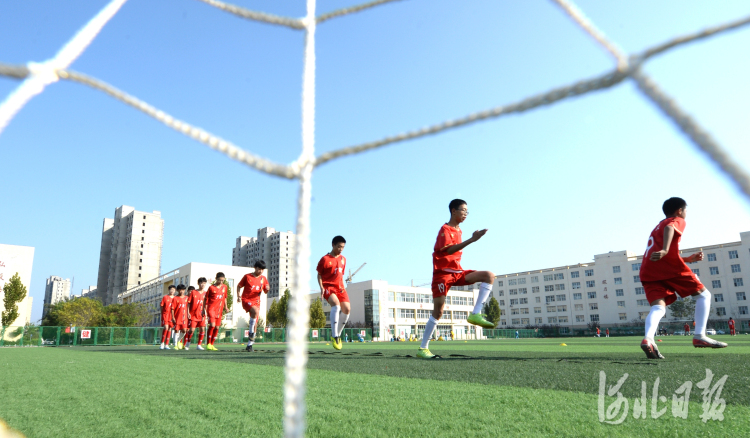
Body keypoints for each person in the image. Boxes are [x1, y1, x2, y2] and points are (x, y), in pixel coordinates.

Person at [639, 197, 727, 360]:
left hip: (648, 269)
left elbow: (666, 244)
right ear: (679, 210)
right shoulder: (675, 220)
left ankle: (649, 339)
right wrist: (665, 250)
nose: (685, 214)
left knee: (658, 307)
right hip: (667, 267)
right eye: (685, 210)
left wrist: (687, 259)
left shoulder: (657, 227)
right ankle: (700, 335)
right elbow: (671, 228)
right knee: (704, 295)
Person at [419, 199, 496, 359]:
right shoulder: (445, 229)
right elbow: (448, 251)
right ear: (453, 211)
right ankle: (423, 348)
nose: (465, 214)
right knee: (438, 311)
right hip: (442, 275)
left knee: (489, 276)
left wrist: (471, 239)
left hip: (457, 273)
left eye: (467, 211)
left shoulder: (459, 231)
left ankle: (475, 314)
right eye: (463, 210)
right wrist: (472, 240)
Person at [317, 236, 350, 350]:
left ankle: (338, 334)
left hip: (340, 288)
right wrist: (321, 288)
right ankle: (334, 335)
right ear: (333, 245)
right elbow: (319, 274)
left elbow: (341, 275)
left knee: (347, 309)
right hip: (328, 286)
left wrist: (343, 287)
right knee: (335, 304)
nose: (341, 249)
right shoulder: (325, 259)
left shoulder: (343, 259)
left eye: (343, 247)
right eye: (339, 247)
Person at [237, 261, 269, 352]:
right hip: (246, 300)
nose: (261, 271)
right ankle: (251, 333)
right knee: (255, 311)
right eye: (259, 269)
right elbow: (239, 286)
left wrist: (267, 289)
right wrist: (239, 296)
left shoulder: (263, 279)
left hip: (257, 302)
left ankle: (249, 345)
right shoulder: (247, 277)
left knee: (255, 324)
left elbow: (266, 291)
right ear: (255, 268)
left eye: (262, 269)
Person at [203, 272, 228, 351]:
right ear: (216, 279)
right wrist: (204, 309)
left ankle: (212, 344)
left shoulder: (225, 287)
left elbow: (225, 298)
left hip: (219, 310)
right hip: (211, 309)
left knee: (217, 327)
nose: (221, 282)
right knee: (212, 325)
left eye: (222, 280)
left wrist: (226, 307)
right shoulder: (211, 288)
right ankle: (208, 344)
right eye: (219, 280)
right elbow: (205, 299)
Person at [186, 279, 208, 350]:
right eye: (201, 283)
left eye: (204, 283)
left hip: (202, 315)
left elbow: (206, 304)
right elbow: (188, 303)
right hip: (193, 315)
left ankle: (199, 345)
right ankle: (188, 342)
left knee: (202, 329)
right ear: (198, 283)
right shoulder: (193, 292)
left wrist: (206, 311)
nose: (203, 285)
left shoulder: (206, 293)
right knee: (192, 330)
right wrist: (188, 312)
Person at [171, 284, 189, 349]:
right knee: (176, 330)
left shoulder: (187, 298)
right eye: (180, 290)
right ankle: (175, 345)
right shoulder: (175, 298)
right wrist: (173, 317)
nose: (182, 291)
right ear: (178, 290)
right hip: (177, 317)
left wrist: (188, 314)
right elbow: (172, 308)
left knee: (184, 330)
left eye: (183, 290)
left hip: (184, 318)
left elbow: (188, 307)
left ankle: (178, 341)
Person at [159, 285, 176, 349]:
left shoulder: (175, 298)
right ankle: (162, 343)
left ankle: (167, 344)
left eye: (173, 290)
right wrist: (162, 313)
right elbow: (161, 305)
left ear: (175, 291)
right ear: (169, 290)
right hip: (165, 314)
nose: (172, 291)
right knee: (166, 327)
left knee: (170, 329)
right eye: (171, 289)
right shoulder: (165, 297)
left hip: (172, 316)